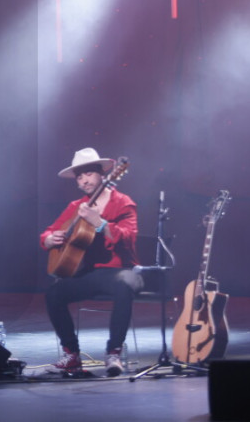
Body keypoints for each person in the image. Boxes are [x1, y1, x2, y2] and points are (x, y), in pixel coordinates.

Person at [40, 148, 141, 377]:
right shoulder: (77, 206)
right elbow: (49, 231)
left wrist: (100, 223)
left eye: (88, 174)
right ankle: (72, 355)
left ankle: (113, 353)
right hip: (89, 273)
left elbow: (128, 239)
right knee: (54, 293)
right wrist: (49, 239)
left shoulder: (123, 203)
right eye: (79, 177)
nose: (84, 180)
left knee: (124, 284)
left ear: (102, 174)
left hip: (120, 270)